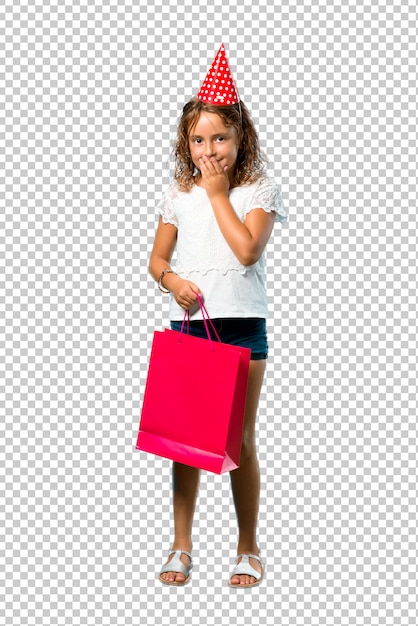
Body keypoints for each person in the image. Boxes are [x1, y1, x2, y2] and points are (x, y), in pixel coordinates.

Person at [148, 44, 288, 587]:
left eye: (221, 138)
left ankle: (248, 548)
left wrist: (219, 193)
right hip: (190, 327)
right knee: (184, 439)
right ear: (187, 142)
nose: (210, 150)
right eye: (199, 139)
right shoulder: (178, 194)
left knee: (239, 440)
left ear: (241, 137)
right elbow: (157, 260)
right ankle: (181, 544)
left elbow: (247, 250)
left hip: (242, 326)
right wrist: (173, 281)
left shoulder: (258, 189)